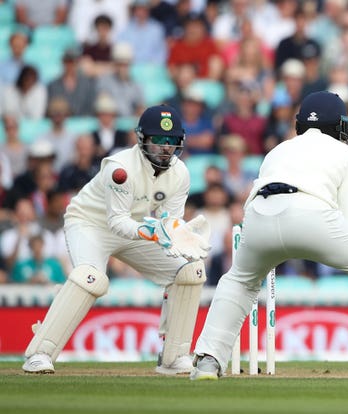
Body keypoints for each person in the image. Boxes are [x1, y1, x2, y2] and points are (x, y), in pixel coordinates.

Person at [190, 91, 348, 382]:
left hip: (259, 216)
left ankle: (207, 361)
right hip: (312, 217)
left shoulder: (278, 150)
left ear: (300, 124)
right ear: (340, 125)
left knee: (239, 279)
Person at [22, 104, 211, 375]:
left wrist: (177, 234)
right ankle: (39, 353)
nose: (165, 147)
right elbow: (116, 222)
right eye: (158, 140)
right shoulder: (120, 169)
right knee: (91, 278)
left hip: (136, 227)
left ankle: (174, 357)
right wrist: (153, 232)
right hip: (90, 224)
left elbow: (169, 221)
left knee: (191, 270)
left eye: (171, 141)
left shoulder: (180, 173)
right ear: (142, 139)